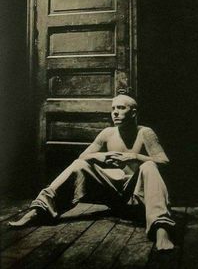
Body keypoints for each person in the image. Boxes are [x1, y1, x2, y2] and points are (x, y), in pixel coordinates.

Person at [9, 94, 175, 250]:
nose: (115, 113)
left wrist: (134, 157)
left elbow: (164, 161)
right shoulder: (107, 133)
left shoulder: (145, 132)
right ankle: (38, 210)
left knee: (149, 166)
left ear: (133, 113)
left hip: (136, 196)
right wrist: (101, 156)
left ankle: (161, 228)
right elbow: (83, 156)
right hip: (112, 195)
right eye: (113, 109)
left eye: (121, 108)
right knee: (79, 164)